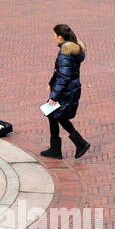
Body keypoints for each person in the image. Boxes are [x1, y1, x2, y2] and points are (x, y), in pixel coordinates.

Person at [41, 24, 91, 159]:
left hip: (66, 91)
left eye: (54, 36)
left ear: (60, 37)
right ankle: (56, 148)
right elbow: (61, 73)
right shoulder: (73, 49)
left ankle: (79, 143)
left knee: (58, 116)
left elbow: (64, 76)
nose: (54, 38)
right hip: (71, 89)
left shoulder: (65, 53)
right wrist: (51, 83)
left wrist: (54, 95)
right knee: (53, 115)